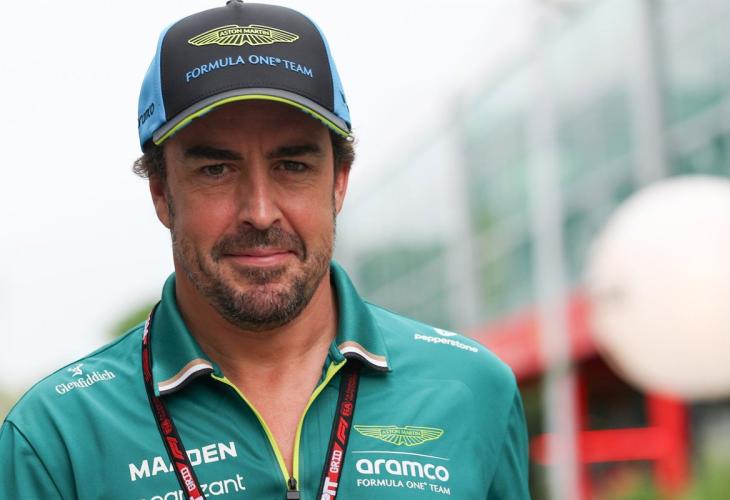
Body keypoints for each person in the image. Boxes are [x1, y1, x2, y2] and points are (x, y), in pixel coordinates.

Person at [0, 1, 530, 498]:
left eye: (292, 166)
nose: (259, 211)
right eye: (216, 169)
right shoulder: (56, 436)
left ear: (339, 182)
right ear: (161, 192)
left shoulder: (473, 389)